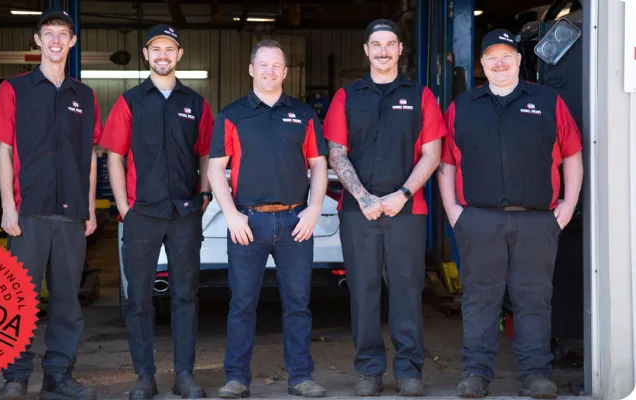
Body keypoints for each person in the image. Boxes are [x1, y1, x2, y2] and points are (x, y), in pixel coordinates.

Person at [438, 29, 584, 398]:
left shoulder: (548, 102)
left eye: (507, 55)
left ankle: (535, 374)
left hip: (538, 220)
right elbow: (447, 162)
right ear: (482, 64)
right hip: (479, 220)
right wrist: (454, 212)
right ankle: (476, 373)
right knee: (479, 299)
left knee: (533, 299)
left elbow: (572, 155)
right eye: (492, 57)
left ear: (520, 60)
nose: (500, 62)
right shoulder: (463, 106)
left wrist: (567, 206)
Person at [322, 19, 446, 397]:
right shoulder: (348, 96)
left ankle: (409, 369)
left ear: (399, 49)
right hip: (358, 210)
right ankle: (370, 370)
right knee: (363, 289)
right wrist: (363, 197)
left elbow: (432, 153)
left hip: (408, 209)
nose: (383, 50)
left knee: (407, 289)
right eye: (376, 44)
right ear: (366, 50)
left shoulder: (420, 95)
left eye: (390, 44)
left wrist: (403, 194)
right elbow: (337, 152)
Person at [0, 7, 101, 400]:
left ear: (72, 41)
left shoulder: (83, 96)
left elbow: (89, 158)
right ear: (37, 40)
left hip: (71, 215)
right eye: (48, 33)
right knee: (18, 300)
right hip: (29, 211)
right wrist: (7, 207)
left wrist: (89, 209)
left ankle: (58, 378)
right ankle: (15, 378)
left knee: (67, 304)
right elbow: (3, 150)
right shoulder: (13, 89)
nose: (54, 40)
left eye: (62, 34)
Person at [208, 39, 329, 399]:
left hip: (296, 223)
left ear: (285, 71)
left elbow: (319, 165)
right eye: (263, 65)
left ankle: (301, 377)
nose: (269, 71)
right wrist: (231, 215)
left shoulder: (304, 114)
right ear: (251, 69)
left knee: (298, 304)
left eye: (276, 65)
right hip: (247, 224)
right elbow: (216, 169)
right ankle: (236, 378)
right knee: (242, 303)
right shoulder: (232, 115)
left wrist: (313, 209)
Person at [98, 24, 214, 400]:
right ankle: (144, 377)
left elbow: (208, 154)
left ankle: (184, 375)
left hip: (184, 213)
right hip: (142, 215)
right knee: (139, 300)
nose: (163, 55)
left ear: (179, 55)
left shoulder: (195, 103)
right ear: (147, 55)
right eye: (156, 49)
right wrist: (124, 208)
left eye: (170, 49)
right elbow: (114, 156)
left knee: (185, 296)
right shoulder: (130, 102)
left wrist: (206, 195)